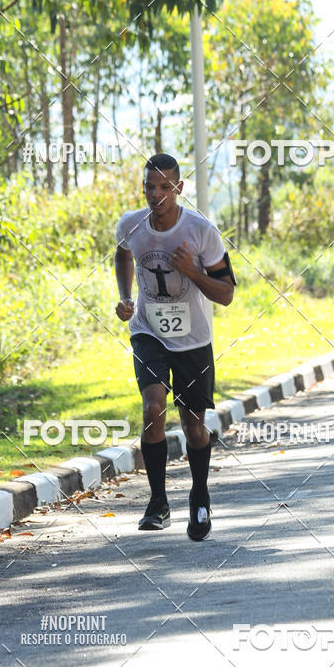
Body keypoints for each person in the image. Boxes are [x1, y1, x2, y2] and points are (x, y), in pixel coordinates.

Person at [114, 153, 236, 540]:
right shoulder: (132, 224)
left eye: (165, 187)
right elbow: (123, 251)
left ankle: (200, 497)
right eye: (150, 187)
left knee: (193, 424)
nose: (156, 195)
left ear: (178, 188)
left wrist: (192, 272)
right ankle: (157, 502)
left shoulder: (202, 231)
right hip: (148, 330)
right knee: (152, 408)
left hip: (193, 339)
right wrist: (125, 296)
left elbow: (227, 294)